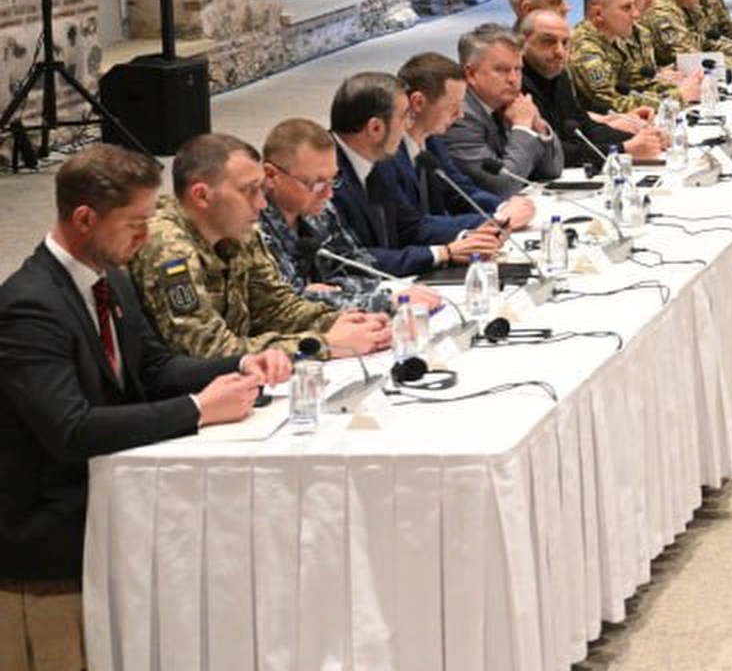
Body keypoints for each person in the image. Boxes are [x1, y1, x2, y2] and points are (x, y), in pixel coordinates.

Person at [0, 144, 272, 591]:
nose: (146, 236)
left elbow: (154, 368)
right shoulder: (30, 306)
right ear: (84, 219)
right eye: (135, 223)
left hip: (111, 484)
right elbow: (71, 430)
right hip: (50, 520)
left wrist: (241, 363)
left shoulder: (112, 278)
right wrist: (197, 409)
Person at [132, 133, 387, 361]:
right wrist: (325, 344)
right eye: (249, 191)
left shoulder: (239, 230)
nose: (262, 203)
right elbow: (208, 352)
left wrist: (341, 321)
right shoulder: (166, 245)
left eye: (261, 190)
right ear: (201, 196)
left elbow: (277, 307)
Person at [254, 117, 437, 316]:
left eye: (333, 180)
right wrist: (382, 302)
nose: (328, 194)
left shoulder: (320, 209)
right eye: (316, 183)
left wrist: (333, 290)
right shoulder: (252, 228)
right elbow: (286, 307)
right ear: (272, 175)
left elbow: (357, 265)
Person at [329, 72, 504, 278]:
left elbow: (409, 225)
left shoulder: (379, 163)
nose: (409, 125)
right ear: (375, 128)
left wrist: (470, 237)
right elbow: (345, 258)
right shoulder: (324, 175)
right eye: (405, 116)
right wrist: (442, 253)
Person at [398, 53, 536, 230]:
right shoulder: (386, 156)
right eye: (453, 107)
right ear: (418, 103)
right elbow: (410, 226)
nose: (460, 115)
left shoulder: (433, 139)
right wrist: (499, 219)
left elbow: (459, 191)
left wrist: (502, 206)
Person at [518, 10, 665, 170]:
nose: (560, 51)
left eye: (565, 43)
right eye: (548, 42)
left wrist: (646, 139)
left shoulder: (559, 76)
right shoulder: (516, 85)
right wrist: (622, 149)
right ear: (521, 44)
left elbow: (585, 127)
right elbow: (549, 152)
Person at [445, 23, 568, 184]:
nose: (513, 79)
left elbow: (552, 170)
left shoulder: (510, 104)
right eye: (502, 70)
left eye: (517, 69)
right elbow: (503, 184)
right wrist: (522, 127)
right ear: (471, 74)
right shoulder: (460, 117)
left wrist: (538, 126)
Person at [571, 0, 690, 114]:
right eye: (626, 8)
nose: (636, 14)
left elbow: (638, 82)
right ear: (598, 14)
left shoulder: (615, 40)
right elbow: (613, 105)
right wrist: (679, 97)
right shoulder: (586, 51)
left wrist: (677, 87)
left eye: (634, 5)